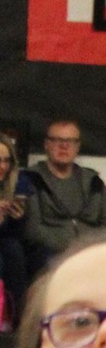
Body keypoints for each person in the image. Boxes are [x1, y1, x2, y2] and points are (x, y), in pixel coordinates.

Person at [21, 119, 106, 269]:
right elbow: (33, 230)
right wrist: (71, 250)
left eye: (70, 141)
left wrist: (90, 249)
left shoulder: (94, 182)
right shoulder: (31, 179)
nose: (64, 146)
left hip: (92, 254)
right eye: (57, 140)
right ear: (46, 144)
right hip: (49, 257)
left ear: (77, 147)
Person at [0, 133, 31, 322]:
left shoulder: (17, 182)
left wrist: (18, 218)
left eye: (6, 161)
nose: (3, 166)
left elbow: (17, 235)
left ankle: (20, 320)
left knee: (13, 250)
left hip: (7, 244)